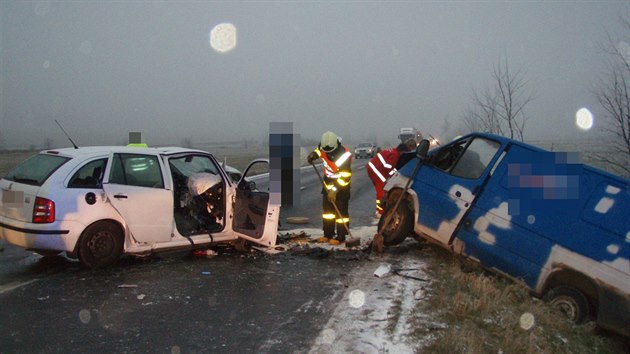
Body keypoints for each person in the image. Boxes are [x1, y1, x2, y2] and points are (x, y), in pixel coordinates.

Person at [307, 131, 353, 245]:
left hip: (342, 186)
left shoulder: (344, 155)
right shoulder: (324, 145)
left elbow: (345, 177)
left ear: (336, 145)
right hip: (328, 182)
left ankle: (341, 236)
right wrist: (313, 155)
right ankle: (328, 234)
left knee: (341, 213)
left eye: (330, 151)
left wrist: (335, 190)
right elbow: (318, 150)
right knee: (328, 212)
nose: (327, 152)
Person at [366, 139, 417, 216]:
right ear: (402, 151)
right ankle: (380, 212)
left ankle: (381, 209)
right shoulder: (395, 155)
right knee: (382, 189)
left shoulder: (393, 151)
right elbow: (388, 167)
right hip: (376, 169)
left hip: (373, 167)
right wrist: (395, 171)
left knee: (384, 186)